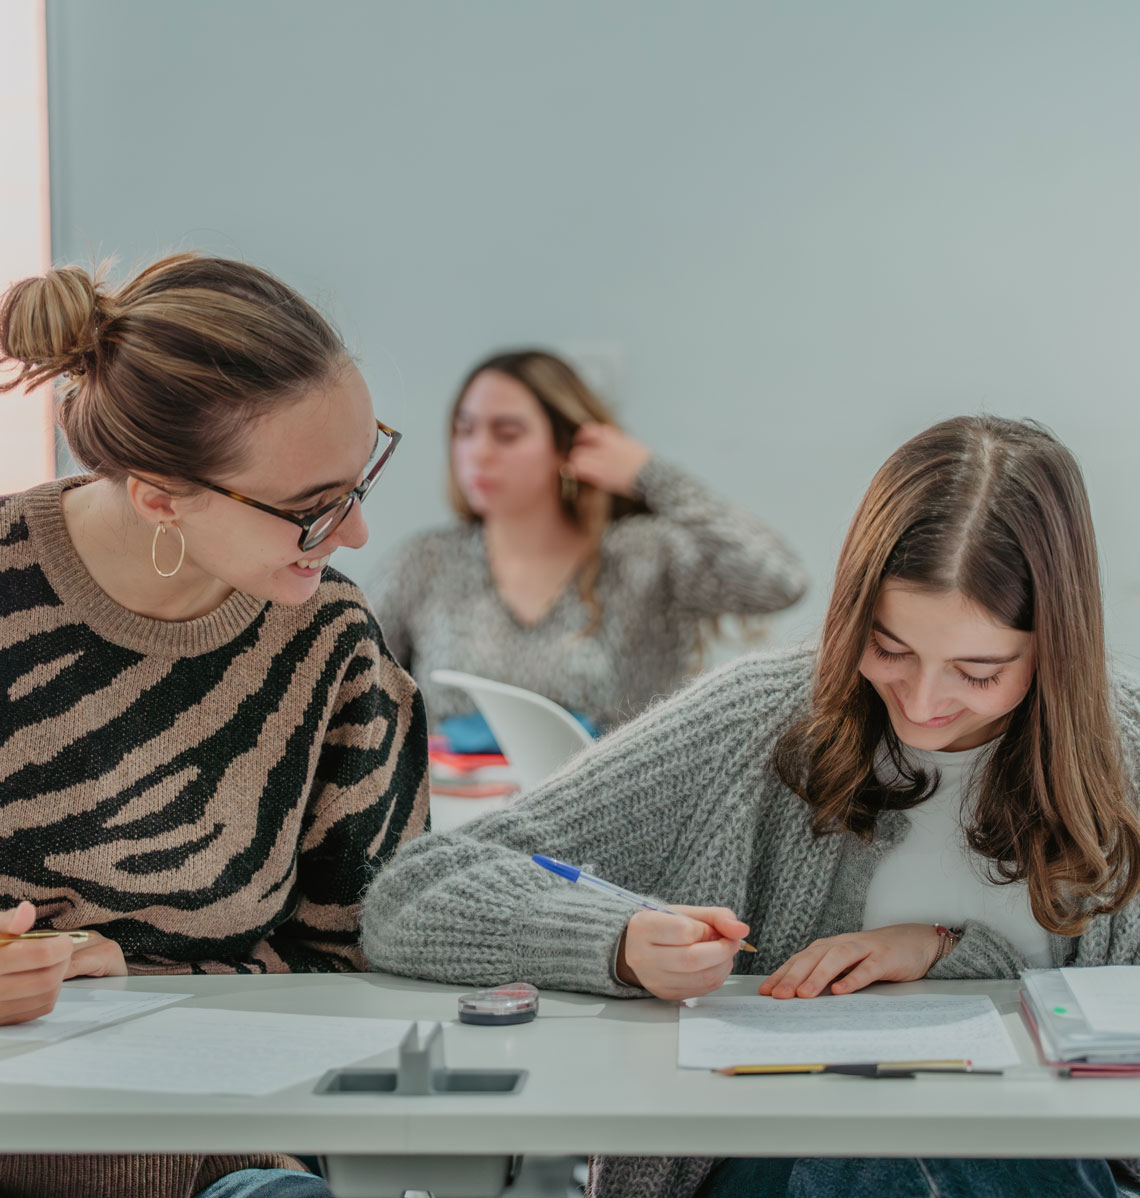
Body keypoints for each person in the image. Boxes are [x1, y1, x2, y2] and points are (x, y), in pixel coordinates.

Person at [361, 415, 1140, 1198]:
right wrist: (617, 942)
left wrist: (945, 953)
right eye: (890, 648)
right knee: (893, 1140)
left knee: (943, 1142)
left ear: (1057, 646)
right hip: (785, 1158)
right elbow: (413, 893)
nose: (925, 701)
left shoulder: (1127, 750)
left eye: (978, 670)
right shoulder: (758, 723)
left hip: (1052, 1167)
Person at [0, 254, 429, 1198]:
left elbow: (359, 958)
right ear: (157, 495)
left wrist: (142, 970)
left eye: (363, 479)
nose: (354, 536)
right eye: (314, 510)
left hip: (221, 1167)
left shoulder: (328, 643)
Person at [371, 349, 806, 739]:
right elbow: (357, 687)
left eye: (507, 434)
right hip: (457, 816)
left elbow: (782, 580)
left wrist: (651, 475)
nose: (477, 452)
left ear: (567, 446)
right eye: (464, 431)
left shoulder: (644, 554)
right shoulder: (424, 561)